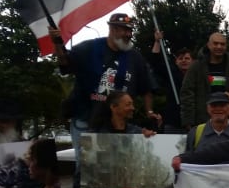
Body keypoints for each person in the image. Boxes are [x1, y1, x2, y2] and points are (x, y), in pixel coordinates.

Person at [50, 13, 158, 176]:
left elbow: (147, 87)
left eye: (130, 30)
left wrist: (150, 112)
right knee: (86, 168)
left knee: (117, 167)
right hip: (87, 120)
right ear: (112, 29)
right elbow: (64, 63)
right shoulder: (89, 48)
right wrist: (57, 43)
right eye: (124, 30)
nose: (129, 34)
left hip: (118, 125)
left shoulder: (135, 57)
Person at [180, 31, 229, 128]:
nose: (219, 46)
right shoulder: (196, 67)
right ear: (208, 45)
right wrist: (188, 121)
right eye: (215, 43)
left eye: (222, 44)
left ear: (226, 46)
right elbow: (187, 94)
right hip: (202, 121)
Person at [149, 30, 193, 133]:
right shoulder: (171, 74)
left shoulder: (197, 76)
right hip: (173, 122)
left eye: (187, 58)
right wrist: (157, 42)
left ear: (193, 61)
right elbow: (155, 62)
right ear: (176, 61)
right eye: (180, 58)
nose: (184, 60)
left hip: (193, 122)